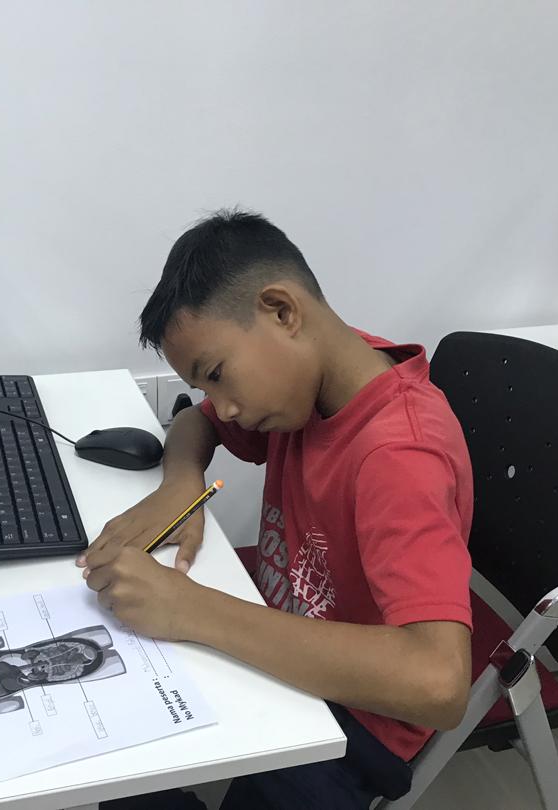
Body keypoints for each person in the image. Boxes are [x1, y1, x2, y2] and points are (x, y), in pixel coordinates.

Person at [78, 210, 474, 808]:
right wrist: (181, 484)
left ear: (283, 312)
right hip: (278, 642)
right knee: (111, 737)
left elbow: (438, 683)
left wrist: (191, 609)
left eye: (217, 375)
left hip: (357, 721)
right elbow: (192, 424)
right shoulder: (320, 375)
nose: (224, 408)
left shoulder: (399, 454)